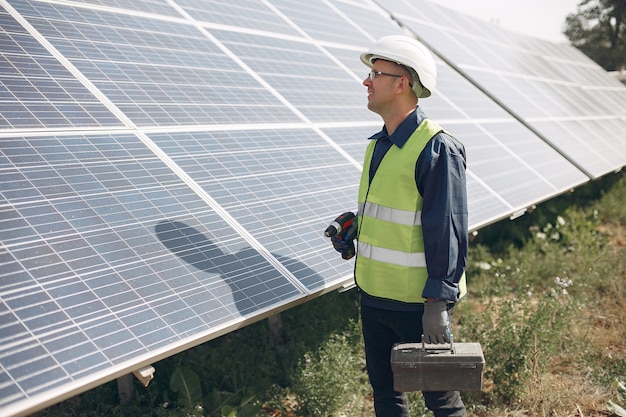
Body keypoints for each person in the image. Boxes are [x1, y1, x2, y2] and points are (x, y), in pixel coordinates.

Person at [329, 35, 469, 417]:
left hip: (417, 305)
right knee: (386, 394)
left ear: (402, 83)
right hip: (374, 296)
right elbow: (398, 209)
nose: (366, 81)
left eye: (375, 73)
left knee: (441, 400)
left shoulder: (437, 149)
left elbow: (448, 230)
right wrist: (356, 225)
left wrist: (436, 304)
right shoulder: (378, 145)